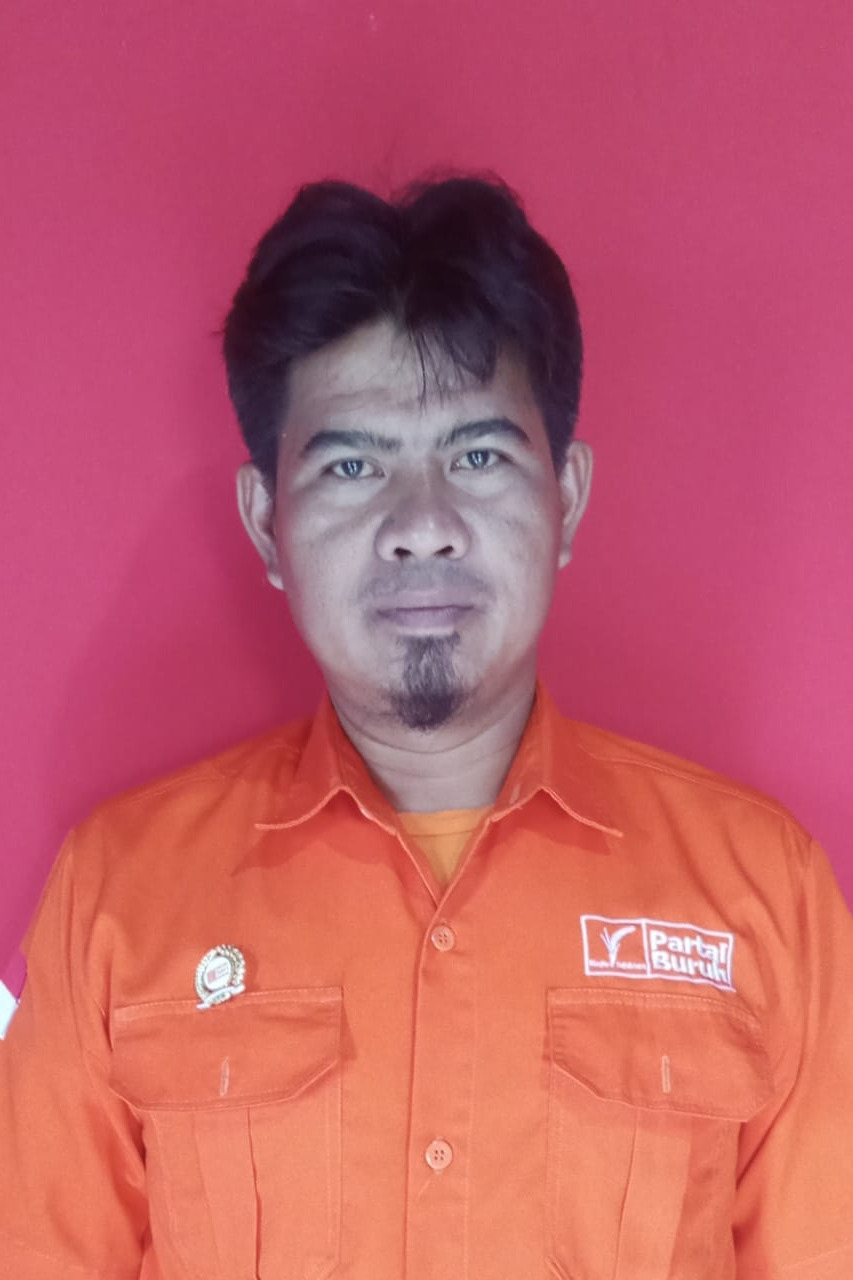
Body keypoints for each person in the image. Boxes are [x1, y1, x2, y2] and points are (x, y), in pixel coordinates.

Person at [1, 174, 851, 1280]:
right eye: (353, 464)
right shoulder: (118, 894)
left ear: (566, 500)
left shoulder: (762, 893)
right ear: (265, 523)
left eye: (478, 456)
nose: (421, 526)